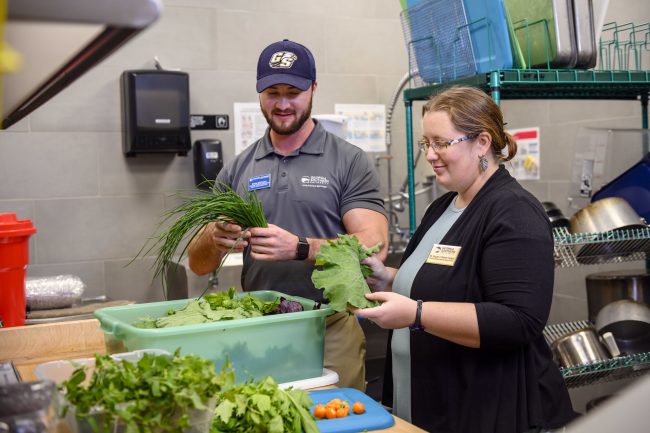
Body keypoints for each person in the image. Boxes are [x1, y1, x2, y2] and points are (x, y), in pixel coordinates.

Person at [354, 86, 578, 432]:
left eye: (441, 143)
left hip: (486, 409)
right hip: (427, 401)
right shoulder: (444, 205)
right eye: (425, 143)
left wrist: (415, 314)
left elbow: (517, 320)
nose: (430, 154)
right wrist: (389, 277)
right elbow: (450, 282)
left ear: (483, 143)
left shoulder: (514, 211)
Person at [187, 39, 388, 391]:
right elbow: (198, 264)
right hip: (259, 326)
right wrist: (213, 240)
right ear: (259, 93)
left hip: (328, 326)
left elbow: (375, 248)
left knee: (335, 422)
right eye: (272, 92)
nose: (282, 104)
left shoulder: (347, 160)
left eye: (293, 92)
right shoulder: (239, 168)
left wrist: (301, 248)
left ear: (313, 88)